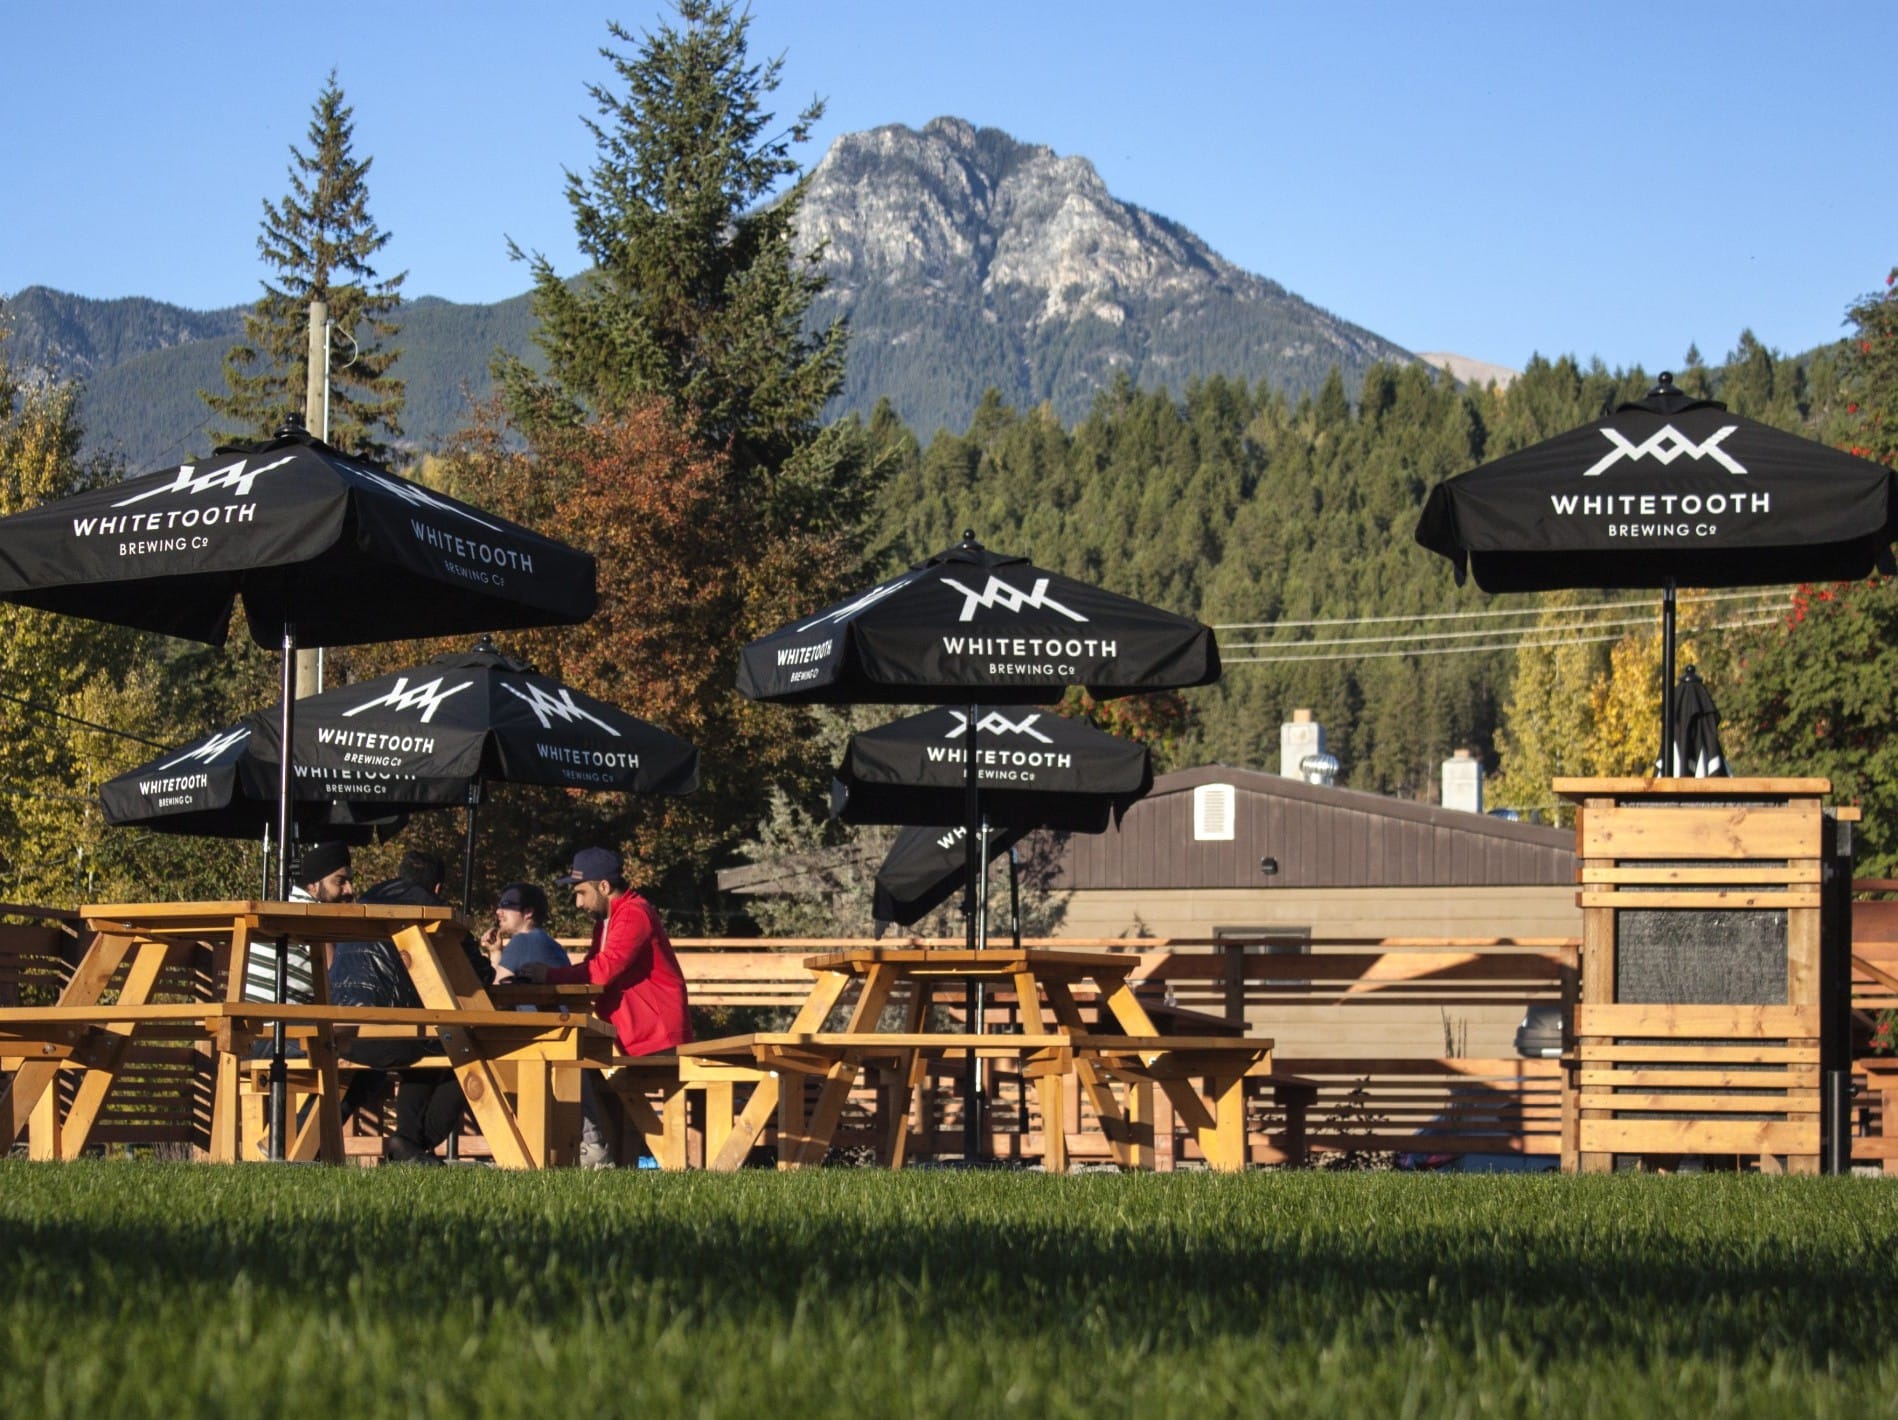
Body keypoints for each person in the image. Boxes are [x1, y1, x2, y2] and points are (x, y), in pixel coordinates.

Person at [518, 846, 692, 1166]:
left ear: (603, 886)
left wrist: (550, 976)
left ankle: (593, 1151)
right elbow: (593, 968)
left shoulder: (634, 913)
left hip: (656, 1038)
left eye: (581, 892)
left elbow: (603, 970)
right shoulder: (608, 920)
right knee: (577, 1065)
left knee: (577, 1065)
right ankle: (598, 1152)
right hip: (632, 1033)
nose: (578, 903)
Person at [331, 849, 494, 1165]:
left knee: (431, 1040)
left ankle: (408, 1145)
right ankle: (413, 1143)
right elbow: (477, 974)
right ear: (436, 888)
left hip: (345, 1032)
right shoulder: (433, 908)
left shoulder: (366, 899)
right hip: (392, 1035)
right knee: (466, 1049)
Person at [244, 838, 353, 1006]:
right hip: (280, 1023)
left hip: (252, 1022)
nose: (349, 890)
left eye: (350, 882)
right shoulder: (310, 913)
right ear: (313, 886)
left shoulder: (288, 906)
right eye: (340, 881)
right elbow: (338, 977)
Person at [481, 882, 569, 983]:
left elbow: (494, 991)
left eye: (506, 905)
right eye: (499, 905)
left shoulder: (523, 941)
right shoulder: (553, 945)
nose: (498, 911)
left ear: (528, 912)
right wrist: (495, 951)